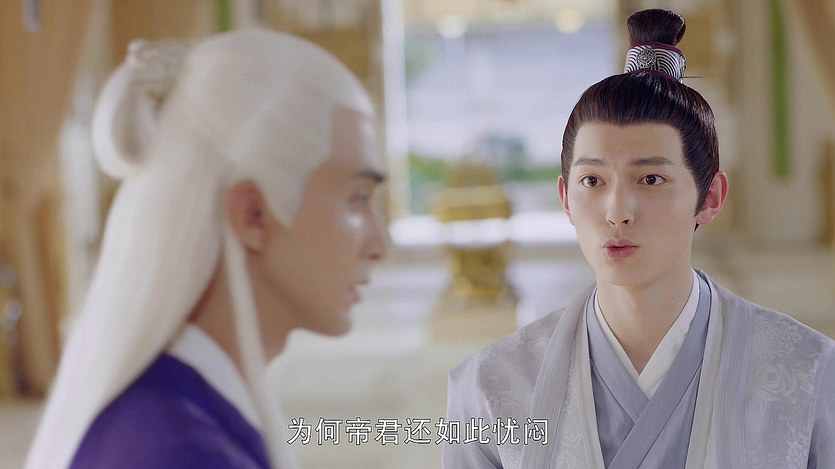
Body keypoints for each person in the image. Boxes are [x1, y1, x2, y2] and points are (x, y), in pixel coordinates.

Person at [444, 9, 834, 469]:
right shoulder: (489, 386)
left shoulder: (809, 371)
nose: (617, 212)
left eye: (650, 179)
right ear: (565, 198)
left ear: (710, 197)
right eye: (592, 181)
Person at [25, 29, 387, 469]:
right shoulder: (183, 452)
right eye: (358, 199)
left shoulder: (172, 411)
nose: (379, 245)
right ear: (253, 216)